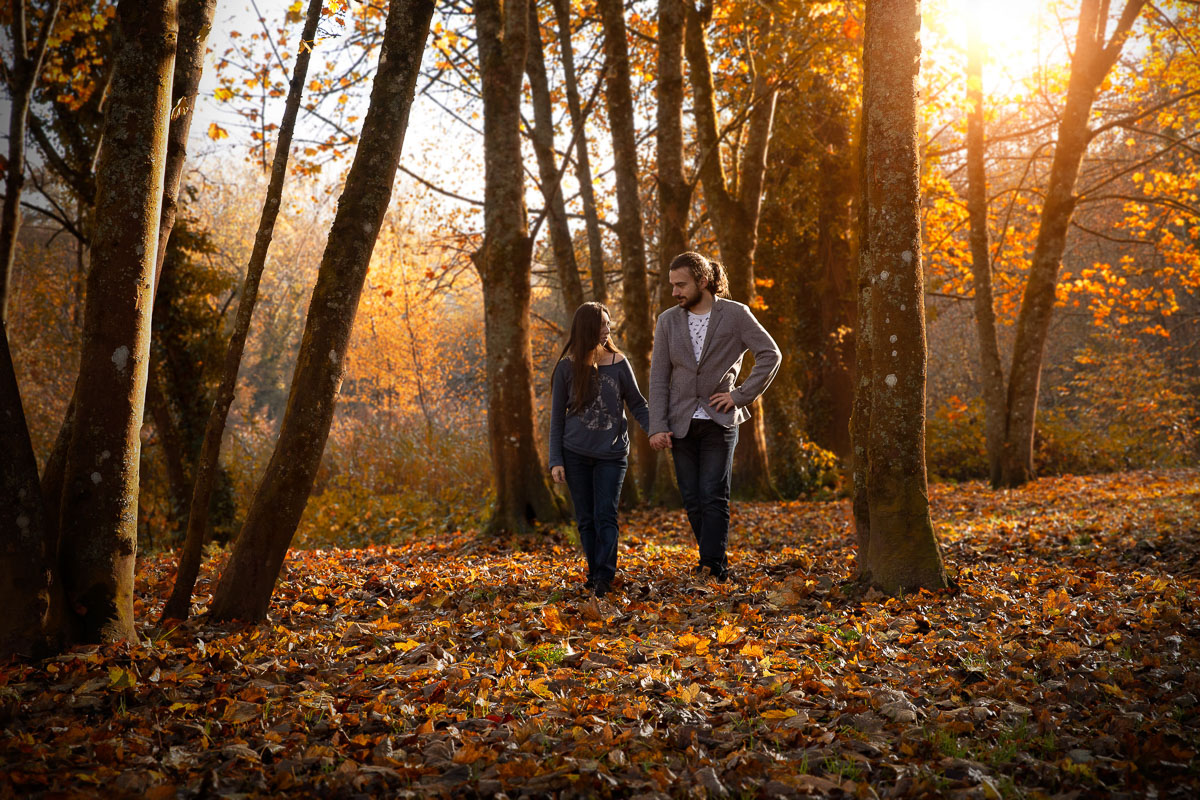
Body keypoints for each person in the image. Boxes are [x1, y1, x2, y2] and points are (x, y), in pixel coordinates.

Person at [648, 252, 781, 582]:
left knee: (713, 493)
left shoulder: (735, 315)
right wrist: (657, 426)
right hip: (679, 423)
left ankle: (710, 566)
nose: (675, 292)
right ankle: (714, 562)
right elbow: (658, 376)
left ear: (702, 281)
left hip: (719, 421)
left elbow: (770, 354)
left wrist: (739, 395)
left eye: (681, 285)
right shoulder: (666, 321)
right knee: (692, 499)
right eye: (672, 286)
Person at [549, 302, 651, 598]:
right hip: (575, 453)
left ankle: (605, 577)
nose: (609, 329)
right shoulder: (566, 368)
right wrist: (556, 460)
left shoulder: (619, 362)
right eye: (604, 324)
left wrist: (655, 430)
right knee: (585, 518)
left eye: (609, 323)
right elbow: (556, 418)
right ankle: (593, 574)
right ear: (588, 329)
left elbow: (637, 403)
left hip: (612, 454)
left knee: (605, 514)